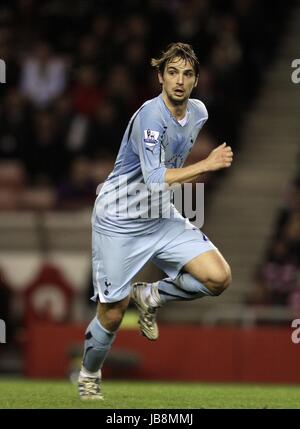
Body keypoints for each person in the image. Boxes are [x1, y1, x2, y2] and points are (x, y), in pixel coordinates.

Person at [78, 42, 233, 400]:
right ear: (160, 76)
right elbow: (152, 177)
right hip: (119, 219)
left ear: (196, 81)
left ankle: (150, 295)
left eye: (188, 74)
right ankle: (88, 375)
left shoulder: (198, 112)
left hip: (160, 215)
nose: (180, 81)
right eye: (173, 72)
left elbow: (168, 175)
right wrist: (206, 164)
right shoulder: (150, 116)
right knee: (113, 314)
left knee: (217, 277)